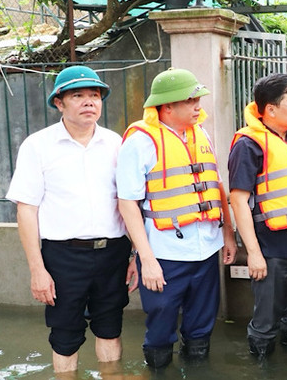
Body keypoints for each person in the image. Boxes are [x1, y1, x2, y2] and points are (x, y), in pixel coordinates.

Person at [6, 65, 138, 374]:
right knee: (64, 334)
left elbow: (128, 203)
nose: (89, 102)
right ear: (59, 103)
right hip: (63, 256)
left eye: (94, 95)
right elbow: (26, 209)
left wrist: (133, 253)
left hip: (113, 252)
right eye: (77, 95)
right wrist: (37, 270)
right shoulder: (38, 146)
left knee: (111, 327)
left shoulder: (116, 144)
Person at [116, 67, 237, 369]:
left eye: (198, 99)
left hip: (206, 249)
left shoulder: (201, 134)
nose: (199, 106)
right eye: (191, 100)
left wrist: (228, 234)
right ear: (167, 106)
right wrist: (146, 259)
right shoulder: (140, 141)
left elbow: (215, 185)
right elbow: (127, 203)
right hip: (164, 253)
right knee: (160, 330)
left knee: (201, 329)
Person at [228, 73, 287, 360]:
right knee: (265, 325)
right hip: (272, 249)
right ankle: (261, 368)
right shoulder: (248, 144)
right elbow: (238, 201)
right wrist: (253, 254)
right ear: (270, 109)